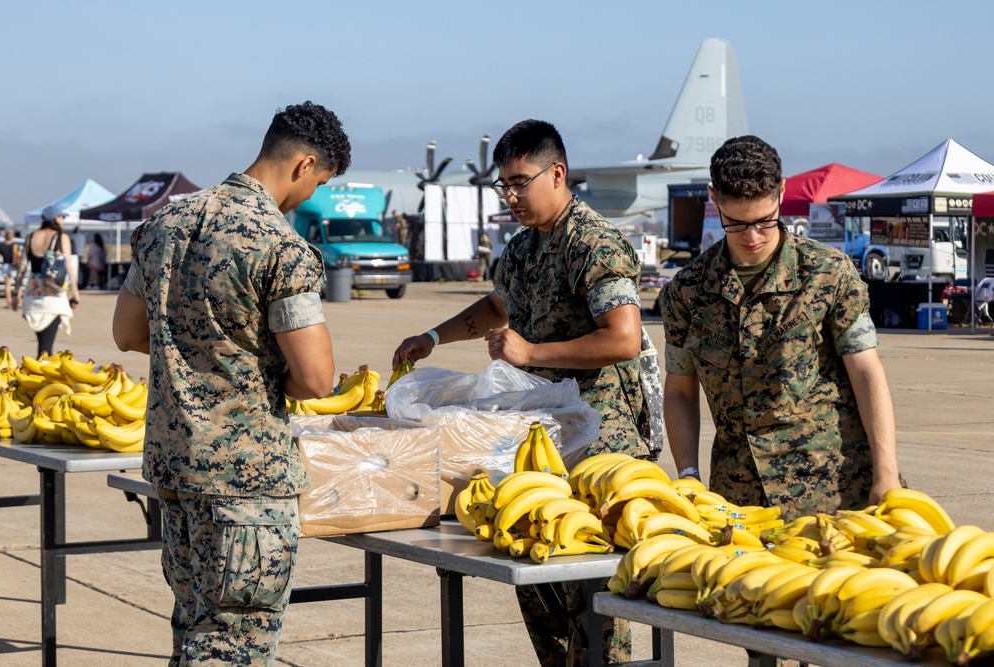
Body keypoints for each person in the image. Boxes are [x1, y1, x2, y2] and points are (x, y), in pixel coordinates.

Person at [391, 119, 648, 666]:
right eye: (501, 185)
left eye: (519, 183)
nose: (510, 196)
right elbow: (495, 306)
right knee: (533, 576)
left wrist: (531, 354)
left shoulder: (594, 244)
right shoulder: (525, 247)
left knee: (593, 596)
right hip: (539, 436)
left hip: (599, 439)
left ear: (557, 174)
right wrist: (434, 336)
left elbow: (623, 339)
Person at [111, 101, 350, 667]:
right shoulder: (279, 246)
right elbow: (316, 378)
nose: (310, 196)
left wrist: (196, 350)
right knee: (233, 645)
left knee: (195, 630)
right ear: (304, 163)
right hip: (245, 486)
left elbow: (127, 333)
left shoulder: (163, 224)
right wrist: (255, 366)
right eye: (318, 183)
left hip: (175, 471)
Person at [657, 135, 902, 522]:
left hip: (835, 493)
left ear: (782, 193)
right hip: (739, 500)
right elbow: (680, 390)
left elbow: (867, 371)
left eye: (764, 221)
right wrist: (689, 475)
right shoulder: (687, 292)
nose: (752, 237)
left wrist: (886, 474)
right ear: (713, 199)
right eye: (736, 223)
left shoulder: (827, 274)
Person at [11, 206, 80, 356]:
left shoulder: (30, 237)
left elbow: (21, 268)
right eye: (62, 217)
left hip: (32, 295)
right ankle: (40, 375)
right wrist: (75, 294)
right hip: (52, 296)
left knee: (43, 343)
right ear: (55, 219)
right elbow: (68, 267)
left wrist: (16, 294)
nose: (63, 220)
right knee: (46, 348)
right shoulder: (61, 237)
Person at [0, 229, 21, 308]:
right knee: (18, 284)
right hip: (13, 266)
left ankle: (9, 303)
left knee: (7, 286)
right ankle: (17, 301)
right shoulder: (15, 245)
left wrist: (0, 263)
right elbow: (19, 254)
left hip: (5, 265)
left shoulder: (2, 245)